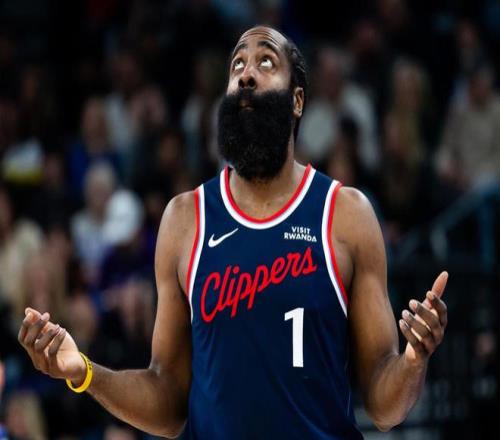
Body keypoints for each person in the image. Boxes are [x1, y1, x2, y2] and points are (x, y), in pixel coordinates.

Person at [17, 26, 449, 439]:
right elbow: (168, 401)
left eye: (266, 62)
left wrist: (413, 359)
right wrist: (85, 372)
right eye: (237, 65)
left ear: (297, 100)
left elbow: (384, 407)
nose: (246, 74)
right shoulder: (185, 219)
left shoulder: (345, 214)